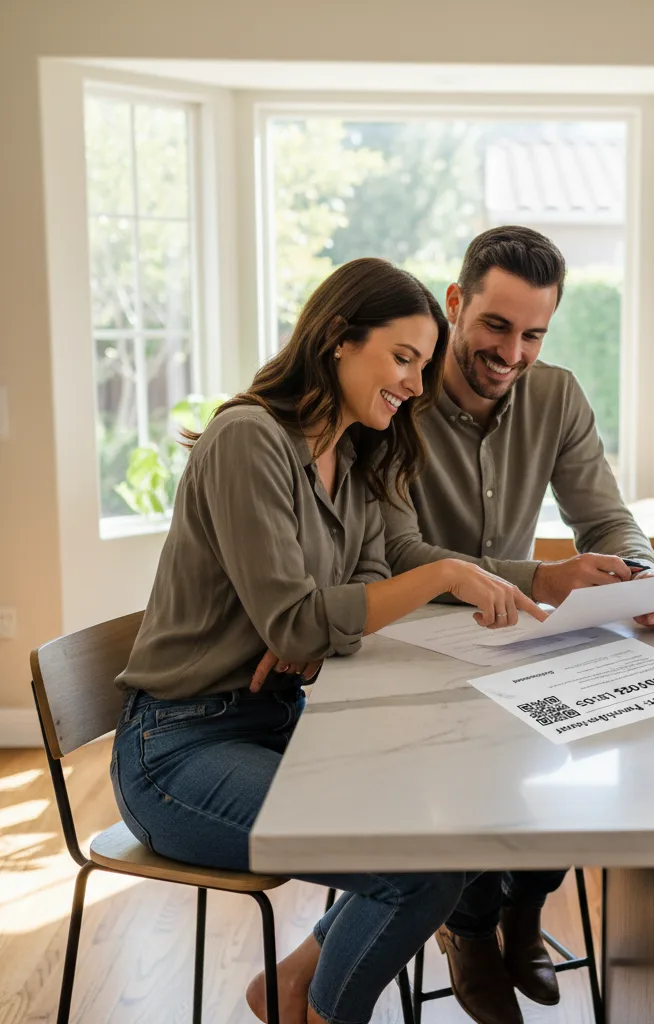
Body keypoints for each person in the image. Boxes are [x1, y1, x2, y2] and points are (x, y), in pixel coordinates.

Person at [109, 258, 546, 1024]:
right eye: (402, 358)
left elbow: (357, 594)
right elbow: (309, 621)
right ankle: (317, 1011)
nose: (416, 384)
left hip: (274, 728)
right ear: (339, 340)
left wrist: (324, 619)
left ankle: (291, 987)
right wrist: (427, 576)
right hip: (177, 753)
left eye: (420, 363)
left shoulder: (361, 453)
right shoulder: (249, 439)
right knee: (416, 872)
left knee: (475, 822)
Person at [382, 226, 654, 1024]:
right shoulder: (394, 394)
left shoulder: (555, 395)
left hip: (510, 639)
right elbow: (394, 550)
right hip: (408, 639)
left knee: (596, 729)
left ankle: (525, 909)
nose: (512, 353)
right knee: (464, 774)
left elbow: (607, 518)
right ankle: (469, 929)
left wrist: (642, 577)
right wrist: (539, 578)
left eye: (532, 334)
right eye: (495, 326)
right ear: (455, 303)